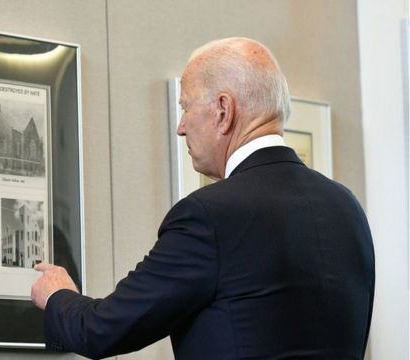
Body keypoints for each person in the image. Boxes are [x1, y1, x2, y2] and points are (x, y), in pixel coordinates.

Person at [30, 37, 375, 359]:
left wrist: (58, 295)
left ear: (223, 110)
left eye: (186, 107)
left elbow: (101, 330)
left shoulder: (209, 214)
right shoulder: (347, 208)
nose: (180, 127)